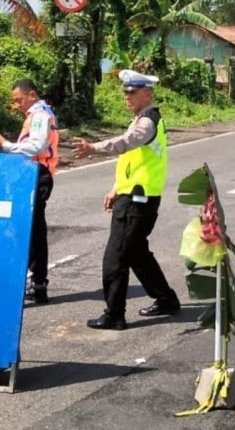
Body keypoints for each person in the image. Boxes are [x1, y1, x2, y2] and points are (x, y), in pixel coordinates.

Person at [73, 69, 180, 331]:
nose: (127, 97)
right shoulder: (141, 119)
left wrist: (93, 148)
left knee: (116, 257)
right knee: (136, 253)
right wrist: (116, 188)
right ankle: (166, 299)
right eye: (125, 92)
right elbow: (131, 162)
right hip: (135, 196)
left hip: (138, 201)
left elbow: (125, 143)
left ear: (148, 94)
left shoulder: (147, 122)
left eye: (132, 92)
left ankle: (114, 314)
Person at [0, 79, 59, 305]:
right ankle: (36, 283)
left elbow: (37, 146)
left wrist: (7, 146)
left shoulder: (40, 114)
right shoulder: (38, 114)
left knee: (33, 229)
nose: (16, 105)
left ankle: (37, 282)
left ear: (32, 94)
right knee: (31, 228)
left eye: (19, 100)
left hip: (37, 173)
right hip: (33, 173)